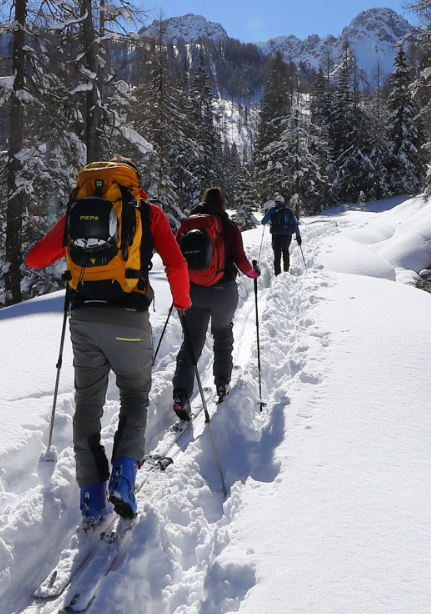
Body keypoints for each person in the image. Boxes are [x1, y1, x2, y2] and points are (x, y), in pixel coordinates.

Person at [26, 160, 190, 526]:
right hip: (129, 318)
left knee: (87, 405)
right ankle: (124, 478)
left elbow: (35, 258)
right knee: (134, 395)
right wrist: (182, 302)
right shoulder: (148, 212)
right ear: (134, 183)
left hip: (84, 320)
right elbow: (177, 266)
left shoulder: (76, 209)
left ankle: (92, 497)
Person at [170, 187, 259, 420]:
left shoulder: (188, 225)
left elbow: (176, 258)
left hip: (193, 293)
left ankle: (180, 395)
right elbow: (241, 261)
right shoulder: (229, 227)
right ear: (222, 204)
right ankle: (221, 384)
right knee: (222, 335)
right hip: (223, 291)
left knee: (191, 343)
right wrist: (254, 273)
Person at [263, 195, 300, 274]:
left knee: (277, 253)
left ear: (276, 202)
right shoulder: (289, 211)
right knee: (285, 251)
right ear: (283, 202)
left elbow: (263, 222)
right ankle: (286, 270)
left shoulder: (272, 210)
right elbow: (295, 224)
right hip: (287, 234)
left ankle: (277, 272)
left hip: (276, 234)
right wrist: (298, 236)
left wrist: (266, 213)